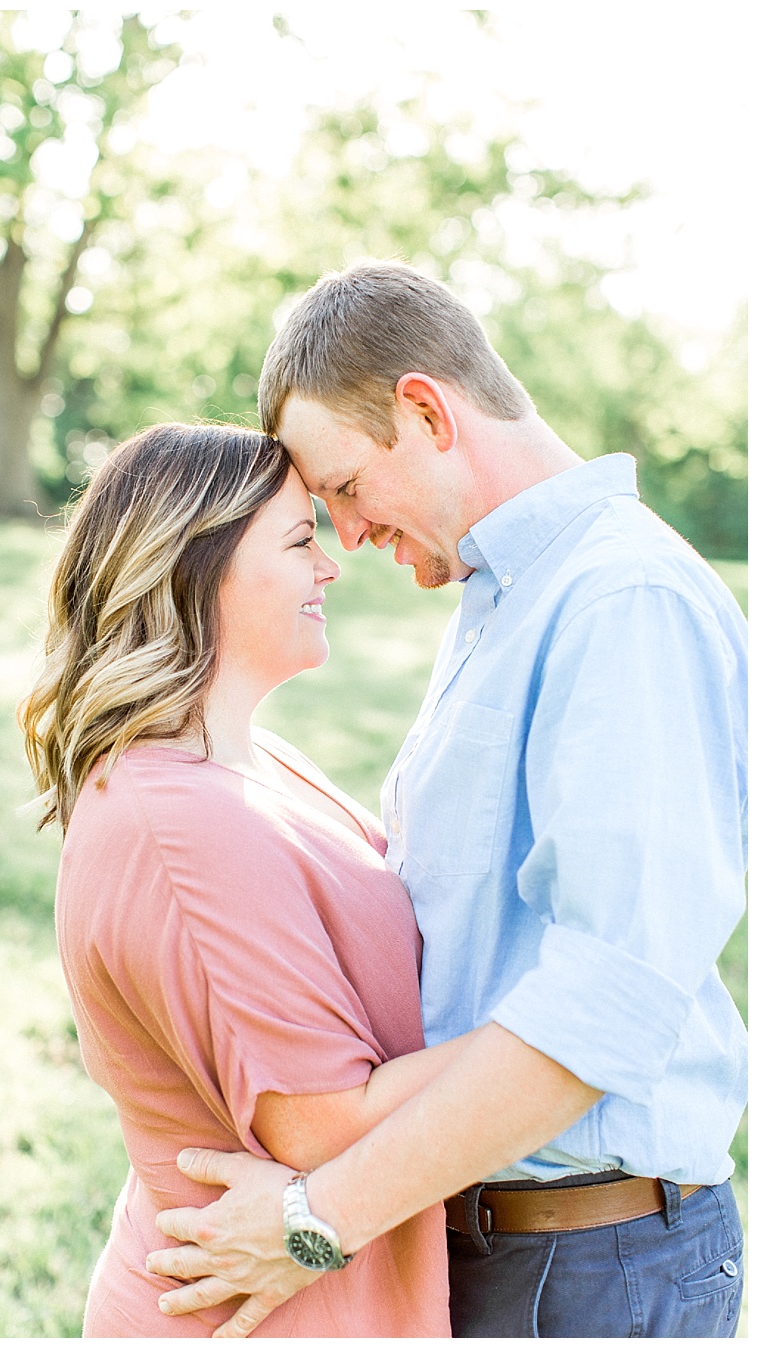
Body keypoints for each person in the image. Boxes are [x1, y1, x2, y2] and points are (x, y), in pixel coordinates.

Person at [143, 262, 746, 1338]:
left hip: (589, 1262)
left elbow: (608, 999)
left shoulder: (621, 600)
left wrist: (317, 1220)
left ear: (425, 412)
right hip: (493, 1238)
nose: (347, 537)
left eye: (344, 489)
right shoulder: (502, 599)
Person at [21, 423, 490, 1336]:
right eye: (300, 539)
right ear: (197, 571)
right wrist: (559, 1034)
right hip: (250, 1318)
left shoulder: (250, 761)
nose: (332, 566)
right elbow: (324, 1130)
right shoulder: (183, 824)